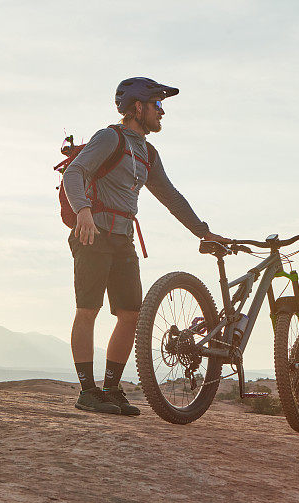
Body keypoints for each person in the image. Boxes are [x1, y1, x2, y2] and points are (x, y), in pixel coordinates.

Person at [62, 77, 227, 415]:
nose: (162, 112)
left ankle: (110, 388)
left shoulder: (148, 152)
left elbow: (171, 198)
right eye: (157, 105)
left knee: (131, 314)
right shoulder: (111, 137)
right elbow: (74, 173)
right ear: (138, 107)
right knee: (88, 310)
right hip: (92, 234)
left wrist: (203, 232)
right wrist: (83, 212)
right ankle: (87, 391)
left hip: (122, 239)